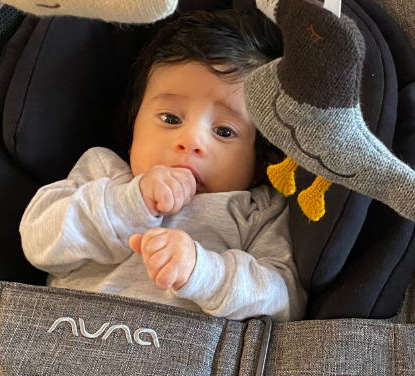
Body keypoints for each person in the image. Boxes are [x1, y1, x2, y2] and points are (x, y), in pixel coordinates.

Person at [19, 8, 306, 323]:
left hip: (185, 362)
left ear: (259, 160)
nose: (191, 140)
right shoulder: (104, 171)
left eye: (224, 131)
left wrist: (204, 272)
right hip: (67, 340)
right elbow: (37, 240)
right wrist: (129, 203)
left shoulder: (259, 210)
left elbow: (285, 301)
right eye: (171, 118)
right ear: (133, 126)